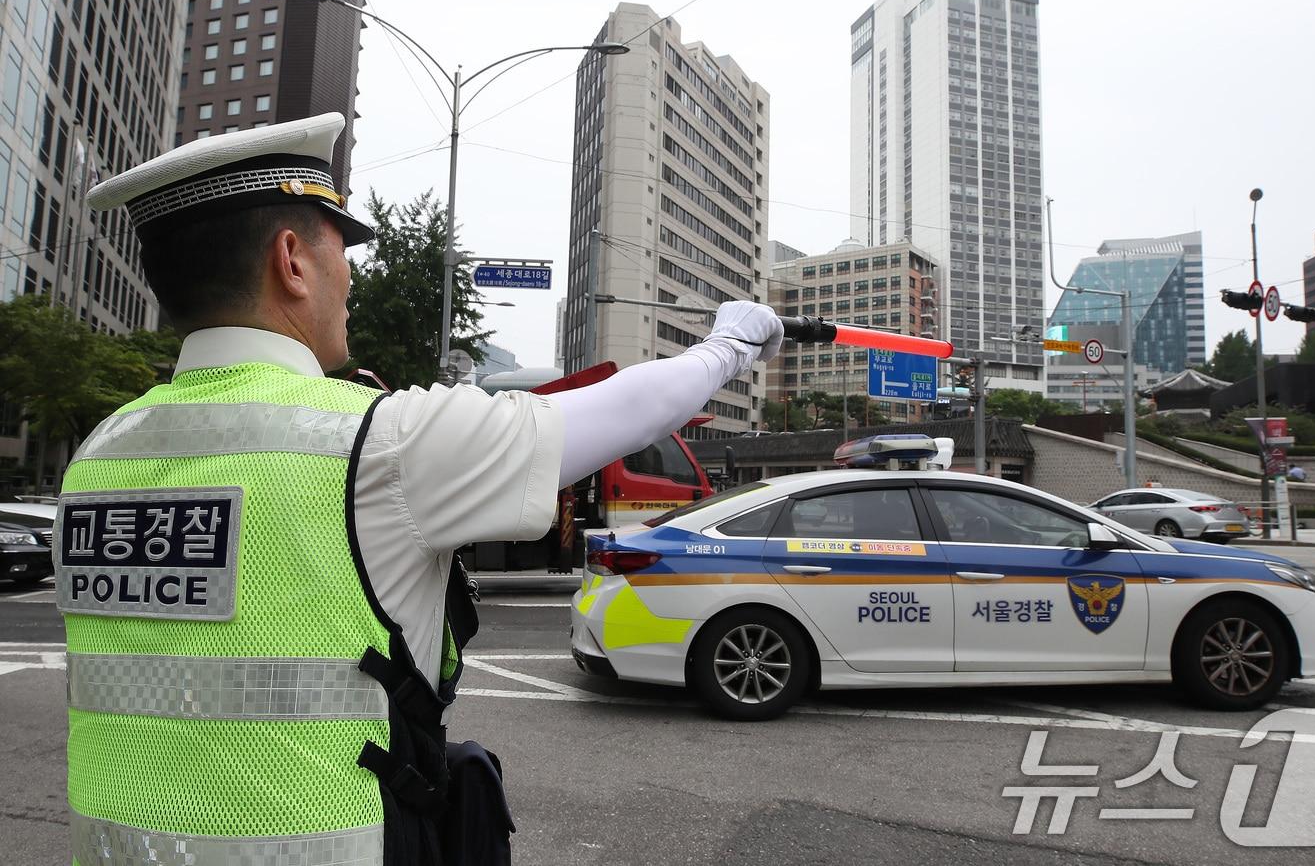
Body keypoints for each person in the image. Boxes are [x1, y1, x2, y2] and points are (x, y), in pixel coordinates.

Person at [56, 114, 784, 865]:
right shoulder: (372, 443)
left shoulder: (97, 457)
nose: (350, 277)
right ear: (292, 261)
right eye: (341, 248)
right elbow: (623, 411)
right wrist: (728, 346)